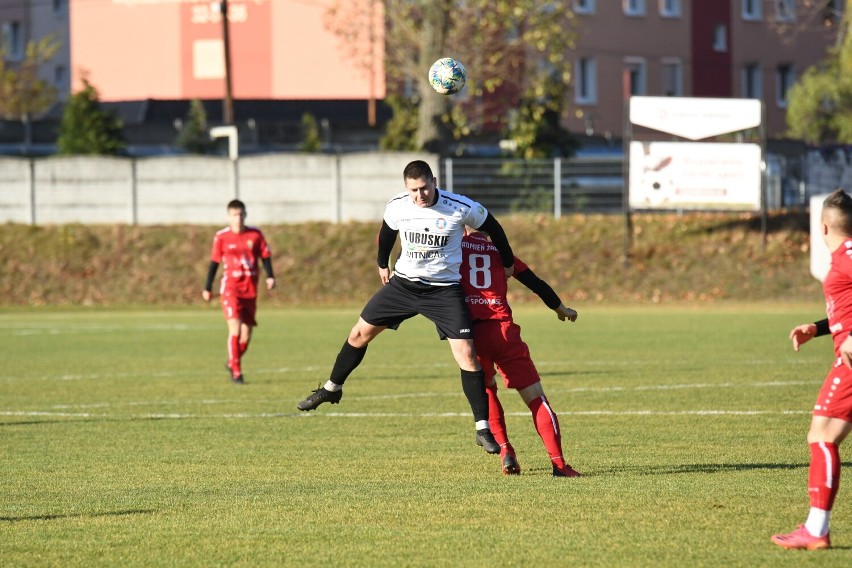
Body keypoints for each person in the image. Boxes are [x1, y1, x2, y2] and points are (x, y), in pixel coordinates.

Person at [296, 160, 516, 453]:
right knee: (358, 334)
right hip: (404, 285)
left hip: (443, 291)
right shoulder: (398, 206)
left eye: (424, 187)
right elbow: (387, 233)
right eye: (413, 190)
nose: (419, 195)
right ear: (406, 187)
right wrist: (381, 263)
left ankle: (482, 429)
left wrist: (509, 261)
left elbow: (495, 227)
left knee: (467, 355)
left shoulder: (460, 207)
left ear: (434, 181)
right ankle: (331, 389)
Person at [459, 229, 581, 477]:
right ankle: (559, 465)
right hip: (504, 332)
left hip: (471, 334)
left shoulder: (454, 249)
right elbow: (536, 283)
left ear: (463, 227)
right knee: (536, 397)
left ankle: (505, 451)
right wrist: (561, 309)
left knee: (486, 389)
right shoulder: (501, 253)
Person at [770, 188, 852, 550]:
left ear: (822, 227)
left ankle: (816, 529)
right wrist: (818, 328)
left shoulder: (847, 256)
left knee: (822, 435)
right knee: (822, 433)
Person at [202, 199, 276, 384]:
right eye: (235, 215)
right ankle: (237, 371)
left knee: (246, 335)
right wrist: (207, 287)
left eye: (241, 214)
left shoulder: (255, 234)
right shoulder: (221, 237)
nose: (238, 218)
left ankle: (232, 360)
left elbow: (265, 256)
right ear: (229, 216)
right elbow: (214, 263)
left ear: (246, 215)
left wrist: (270, 276)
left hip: (250, 289)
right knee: (234, 328)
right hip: (231, 289)